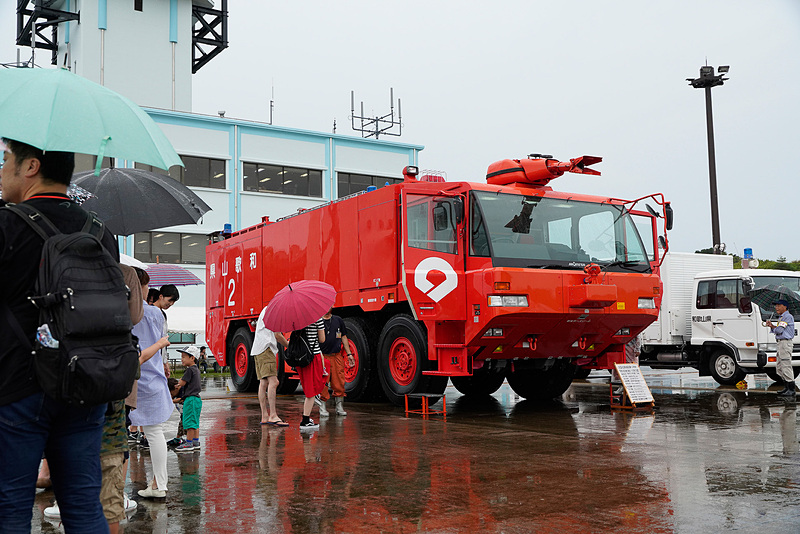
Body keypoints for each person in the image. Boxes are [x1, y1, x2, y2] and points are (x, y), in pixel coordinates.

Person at [0, 138, 119, 532]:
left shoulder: (7, 223)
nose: (1, 171)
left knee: (10, 507)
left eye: (6, 161)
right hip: (85, 382)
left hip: (19, 387)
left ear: (30, 166)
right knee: (84, 505)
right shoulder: (100, 231)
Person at [129, 272, 173, 499]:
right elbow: (161, 341)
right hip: (152, 376)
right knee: (155, 433)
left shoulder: (124, 312)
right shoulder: (155, 313)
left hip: (130, 378)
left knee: (117, 434)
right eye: (146, 286)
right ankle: (159, 484)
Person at [252, 306, 290, 426]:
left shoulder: (266, 309)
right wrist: (289, 346)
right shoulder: (275, 312)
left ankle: (265, 416)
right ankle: (273, 415)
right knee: (274, 382)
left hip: (258, 349)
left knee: (263, 383)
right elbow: (277, 335)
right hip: (266, 349)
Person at [316, 309, 355, 417]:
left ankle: (339, 406)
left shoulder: (338, 320)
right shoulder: (318, 321)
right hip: (323, 357)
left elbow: (343, 337)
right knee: (323, 382)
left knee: (339, 381)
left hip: (336, 356)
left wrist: (349, 354)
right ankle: (322, 407)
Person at [171, 346, 203, 452]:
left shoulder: (190, 370)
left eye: (184, 357)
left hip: (190, 399)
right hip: (197, 399)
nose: (182, 359)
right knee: (195, 422)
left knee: (189, 422)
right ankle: (195, 442)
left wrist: (177, 384)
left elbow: (182, 383)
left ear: (192, 358)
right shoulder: (196, 370)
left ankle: (188, 443)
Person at [296, 319, 326, 431]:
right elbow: (322, 339)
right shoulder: (317, 318)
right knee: (311, 391)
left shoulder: (296, 318)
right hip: (313, 357)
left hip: (301, 357)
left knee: (307, 387)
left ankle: (306, 418)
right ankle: (305, 421)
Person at [767, 299, 796, 398]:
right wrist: (772, 326)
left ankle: (791, 389)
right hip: (780, 344)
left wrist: (773, 327)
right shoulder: (782, 317)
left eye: (779, 305)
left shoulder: (787, 317)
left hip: (785, 343)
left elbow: (779, 330)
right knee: (779, 367)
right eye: (776, 305)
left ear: (785, 306)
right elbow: (778, 329)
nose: (776, 307)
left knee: (786, 365)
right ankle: (786, 387)